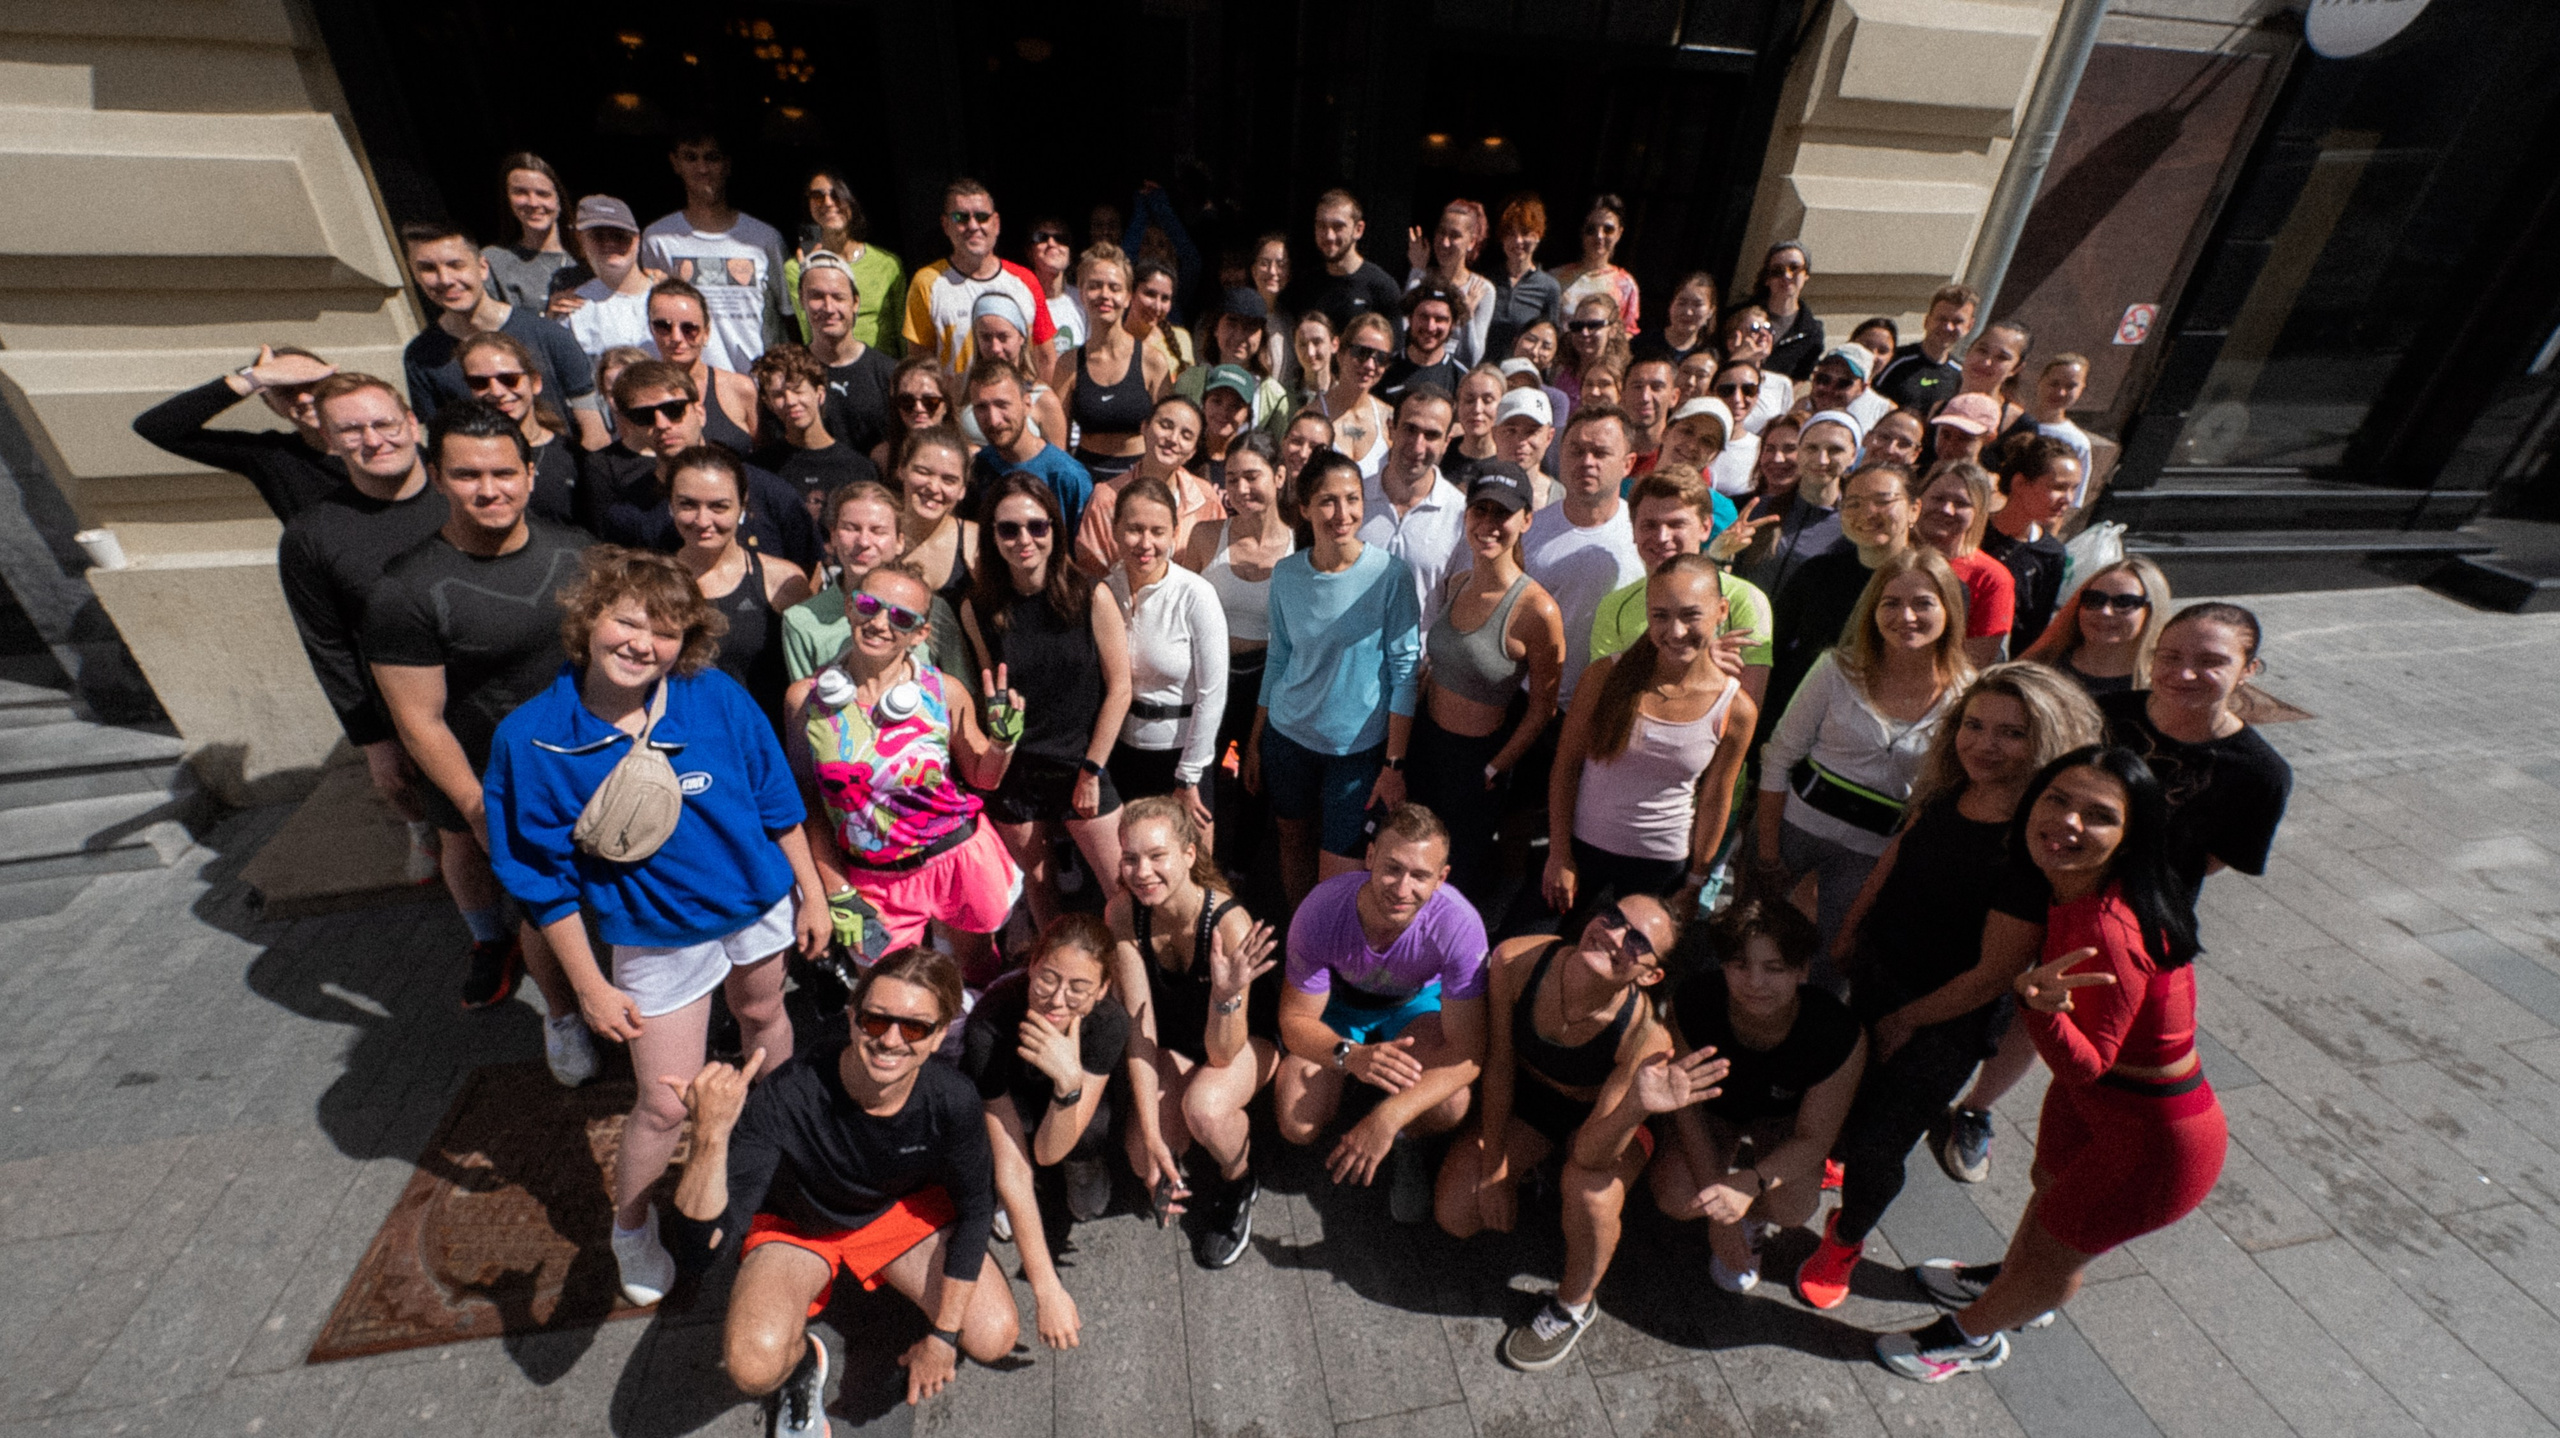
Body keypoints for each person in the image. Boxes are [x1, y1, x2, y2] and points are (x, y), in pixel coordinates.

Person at [480, 546, 827, 1307]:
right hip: (658, 933)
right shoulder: (532, 739)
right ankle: (631, 1225)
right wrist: (589, 986)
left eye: (665, 631)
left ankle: (770, 1139)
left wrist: (812, 892)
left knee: (764, 1015)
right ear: (589, 621)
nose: (643, 643)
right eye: (628, 621)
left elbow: (775, 800)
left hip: (757, 906)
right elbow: (542, 882)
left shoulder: (717, 696)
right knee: (664, 1103)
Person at [1875, 747, 2219, 1383]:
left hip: (2150, 1139)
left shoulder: (2109, 928)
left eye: (2098, 815)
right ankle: (2008, 1283)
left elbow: (2088, 1063)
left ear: (2129, 834)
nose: (2067, 822)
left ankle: (1970, 1337)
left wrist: (2038, 1008)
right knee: (2048, 1203)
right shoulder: (2082, 886)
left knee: (2056, 1261)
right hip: (2103, 1109)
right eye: (2057, 799)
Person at [1791, 663, 2101, 1310]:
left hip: (1945, 1017)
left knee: (1884, 1143)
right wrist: (1849, 931)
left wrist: (1908, 1020)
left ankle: (1846, 1235)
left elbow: (1992, 973)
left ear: (2045, 742)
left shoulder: (2029, 844)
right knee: (1849, 1089)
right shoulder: (1946, 789)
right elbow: (1897, 857)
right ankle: (1838, 1155)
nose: (1984, 744)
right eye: (1974, 725)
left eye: (2011, 733)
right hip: (1881, 972)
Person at [661, 948, 1018, 1423]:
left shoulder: (951, 1100)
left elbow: (976, 1211)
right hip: (799, 1225)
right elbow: (701, 1251)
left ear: (938, 1037)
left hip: (894, 1213)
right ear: (852, 1018)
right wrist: (710, 1136)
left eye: (914, 1028)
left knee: (994, 1335)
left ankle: (901, 1300)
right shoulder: (787, 1096)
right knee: (752, 1368)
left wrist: (943, 1337)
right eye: (875, 1020)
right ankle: (802, 1364)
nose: (890, 1040)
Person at [365, 401, 589, 1043]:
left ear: (530, 472)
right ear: (436, 477)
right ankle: (562, 1017)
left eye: (502, 472)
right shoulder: (406, 591)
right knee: (545, 915)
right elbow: (420, 721)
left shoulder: (579, 552)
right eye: (467, 475)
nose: (488, 490)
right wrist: (477, 808)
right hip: (498, 788)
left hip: (588, 771)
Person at [1436, 891, 1723, 1369]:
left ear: (1651, 975)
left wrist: (1637, 1103)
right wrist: (1493, 1167)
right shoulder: (1517, 960)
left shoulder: (1645, 1036)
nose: (1612, 935)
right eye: (1612, 917)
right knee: (1456, 1212)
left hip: (1608, 1125)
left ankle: (1574, 1304)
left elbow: (1592, 1153)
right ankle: (1533, 1172)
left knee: (1587, 1188)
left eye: (1636, 941)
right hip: (1536, 1103)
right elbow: (1501, 1066)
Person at [788, 563, 1026, 972]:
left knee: (974, 974)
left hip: (957, 860)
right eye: (869, 605)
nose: (879, 622)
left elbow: (983, 777)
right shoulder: (805, 700)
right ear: (849, 607)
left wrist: (1002, 744)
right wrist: (836, 887)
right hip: (872, 877)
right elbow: (807, 804)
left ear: (920, 634)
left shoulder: (944, 691)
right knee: (884, 992)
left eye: (900, 617)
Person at [1757, 548, 1973, 961]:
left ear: (1949, 610)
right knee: (1757, 943)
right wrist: (1767, 854)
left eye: (1923, 603)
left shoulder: (1967, 697)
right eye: (1890, 603)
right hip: (1791, 829)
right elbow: (1779, 757)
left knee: (1835, 960)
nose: (1905, 617)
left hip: (1871, 853)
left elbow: (1932, 803)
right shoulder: (1835, 669)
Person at [1277, 805, 1489, 1222]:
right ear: (1370, 857)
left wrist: (1392, 1117)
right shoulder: (1323, 909)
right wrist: (1351, 1056)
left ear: (1441, 878)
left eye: (1420, 876)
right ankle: (1361, 1078)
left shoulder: (1459, 925)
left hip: (1412, 1007)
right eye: (1392, 868)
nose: (1402, 888)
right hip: (1340, 1004)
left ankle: (1405, 1135)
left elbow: (1469, 1054)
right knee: (1295, 1122)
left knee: (1451, 1105)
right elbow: (1294, 1021)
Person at [280, 376, 448, 882]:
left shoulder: (467, 494)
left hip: (500, 689)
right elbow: (327, 645)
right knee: (444, 819)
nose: (373, 440)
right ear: (328, 440)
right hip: (406, 711)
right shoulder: (312, 535)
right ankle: (422, 832)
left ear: (412, 424)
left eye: (384, 423)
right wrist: (375, 742)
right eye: (351, 430)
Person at [1650, 898, 1864, 1293]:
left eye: (1774, 968)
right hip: (1712, 1108)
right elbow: (1686, 1108)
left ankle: (1753, 1217)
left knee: (1796, 1206)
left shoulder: (1836, 1033)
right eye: (1740, 965)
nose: (1755, 983)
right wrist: (1718, 1209)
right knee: (1675, 1196)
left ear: (1802, 971)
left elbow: (1815, 1138)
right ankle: (1728, 1208)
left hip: (1782, 1119)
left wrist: (1749, 1184)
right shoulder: (1694, 1002)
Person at [1108, 797, 1284, 1269]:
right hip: (1179, 1042)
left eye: (1157, 856)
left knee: (1204, 1109)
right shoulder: (1125, 913)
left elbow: (1223, 1053)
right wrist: (1149, 1133)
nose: (1142, 871)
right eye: (1130, 858)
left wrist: (1225, 994)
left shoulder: (1229, 922)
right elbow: (1140, 1026)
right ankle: (1187, 1136)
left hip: (1244, 1042)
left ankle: (1239, 1179)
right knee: (1145, 1161)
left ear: (1188, 854)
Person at [1247, 451, 1421, 905]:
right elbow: (1279, 659)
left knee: (1340, 871)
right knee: (1292, 842)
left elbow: (1405, 673)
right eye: (1327, 501)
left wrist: (1394, 764)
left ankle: (1332, 954)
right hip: (1287, 740)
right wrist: (1256, 739)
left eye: (1352, 499)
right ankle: (1302, 947)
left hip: (1357, 754)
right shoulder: (1286, 574)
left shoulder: (1391, 575)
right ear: (1303, 508)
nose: (1342, 514)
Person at [962, 474, 1131, 926]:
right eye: (1008, 529)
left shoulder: (1090, 595)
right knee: (1042, 896)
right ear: (991, 535)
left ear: (1055, 529)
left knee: (1123, 894)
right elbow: (986, 694)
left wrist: (1092, 769)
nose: (1024, 539)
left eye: (1037, 526)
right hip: (1016, 774)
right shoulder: (977, 606)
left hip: (1080, 767)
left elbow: (1120, 688)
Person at [1548, 554, 1757, 917]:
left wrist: (1695, 881)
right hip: (1581, 853)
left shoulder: (1736, 709)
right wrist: (1559, 853)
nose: (1675, 631)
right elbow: (1566, 765)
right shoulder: (1604, 677)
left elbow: (1715, 801)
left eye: (1690, 615)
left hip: (1661, 869)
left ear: (1721, 610)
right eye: (1660, 615)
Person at [962, 914, 1130, 1347]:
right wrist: (1046, 1287)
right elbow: (1018, 1165)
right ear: (1032, 965)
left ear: (1103, 991)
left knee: (1088, 1130)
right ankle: (999, 1199)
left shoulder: (1108, 1024)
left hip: (1059, 1114)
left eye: (1078, 988)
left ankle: (1084, 1168)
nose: (1057, 999)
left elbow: (1053, 1149)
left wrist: (1069, 1084)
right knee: (987, 1150)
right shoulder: (991, 1022)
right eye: (1048, 979)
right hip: (1010, 1109)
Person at [1408, 465, 1566, 907]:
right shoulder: (1457, 583)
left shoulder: (1538, 611)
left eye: (1504, 514)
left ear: (1526, 520)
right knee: (1410, 864)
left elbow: (1542, 708)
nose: (1490, 525)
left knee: (1456, 881)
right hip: (1426, 747)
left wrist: (1496, 767)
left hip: (1476, 765)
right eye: (1481, 510)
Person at [2095, 603, 2294, 910]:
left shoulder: (2260, 772)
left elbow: (2211, 861)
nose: (2185, 674)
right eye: (2170, 657)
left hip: (2147, 912)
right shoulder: (2100, 714)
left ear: (2247, 670)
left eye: (2210, 662)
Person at [579, 359, 820, 571]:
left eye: (673, 410)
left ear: (700, 412)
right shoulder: (628, 515)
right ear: (631, 425)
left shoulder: (769, 492)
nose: (662, 424)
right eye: (644, 416)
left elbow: (810, 574)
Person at [1179, 433, 1294, 874]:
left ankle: (1240, 871)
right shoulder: (1207, 535)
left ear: (1279, 476)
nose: (1242, 488)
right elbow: (1181, 611)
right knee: (1199, 773)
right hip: (1210, 675)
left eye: (1253, 476)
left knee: (1253, 782)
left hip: (1267, 679)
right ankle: (1197, 867)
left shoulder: (1299, 544)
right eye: (1232, 478)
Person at [399, 221, 606, 447]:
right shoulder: (422, 356)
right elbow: (443, 442)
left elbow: (595, 434)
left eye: (456, 265)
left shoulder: (548, 334)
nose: (445, 279)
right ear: (415, 276)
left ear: (482, 267)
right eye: (428, 269)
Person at [1103, 476, 1230, 831]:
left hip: (1183, 758)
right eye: (1134, 529)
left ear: (1174, 533)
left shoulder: (1196, 595)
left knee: (1192, 869)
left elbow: (1212, 693)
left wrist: (1189, 777)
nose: (1146, 543)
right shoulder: (1104, 593)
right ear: (1114, 530)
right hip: (1122, 755)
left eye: (1158, 531)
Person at [1591, 469, 1774, 705]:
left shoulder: (1745, 600)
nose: (1662, 536)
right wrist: (1698, 664)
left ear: (1705, 527)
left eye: (1677, 524)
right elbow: (1601, 696)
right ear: (1634, 530)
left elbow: (1746, 712)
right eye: (1649, 525)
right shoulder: (1614, 607)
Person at [1760, 445, 1907, 733]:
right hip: (1799, 728)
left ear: (1915, 508)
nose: (1867, 512)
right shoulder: (1816, 574)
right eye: (1853, 503)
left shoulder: (1933, 585)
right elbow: (1772, 654)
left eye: (1883, 500)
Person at [665, 446, 811, 732]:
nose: (703, 521)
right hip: (680, 745)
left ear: (743, 506)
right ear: (670, 505)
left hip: (763, 748)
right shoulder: (650, 584)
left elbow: (808, 680)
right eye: (688, 505)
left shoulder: (782, 581)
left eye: (719, 506)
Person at [782, 474, 968, 686]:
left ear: (899, 541)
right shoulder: (801, 621)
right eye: (850, 528)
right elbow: (805, 704)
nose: (863, 541)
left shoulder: (931, 609)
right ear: (833, 536)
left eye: (878, 531)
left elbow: (958, 691)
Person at [1524, 407, 1650, 718]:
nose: (1586, 462)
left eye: (1600, 452)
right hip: (1530, 704)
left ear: (1628, 464)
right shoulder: (1530, 530)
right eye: (1576, 451)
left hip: (1610, 710)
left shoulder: (1646, 534)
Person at [135, 345, 343, 522]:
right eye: (286, 390)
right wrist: (255, 378)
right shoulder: (273, 456)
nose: (304, 398)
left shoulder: (374, 438)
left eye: (313, 384)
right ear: (271, 405)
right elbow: (156, 427)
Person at [640, 129, 790, 372]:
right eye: (691, 158)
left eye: (712, 158)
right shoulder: (658, 239)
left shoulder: (765, 239)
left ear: (727, 165)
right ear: (675, 163)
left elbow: (789, 317)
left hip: (758, 386)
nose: (702, 168)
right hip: (688, 386)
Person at [903, 177, 1055, 379]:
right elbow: (920, 366)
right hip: (957, 409)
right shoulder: (926, 282)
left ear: (997, 224)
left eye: (982, 217)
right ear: (945, 224)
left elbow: (1045, 358)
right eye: (961, 217)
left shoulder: (1025, 280)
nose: (973, 226)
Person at [1057, 243, 1171, 484]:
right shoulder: (1068, 363)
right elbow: (1058, 444)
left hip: (1138, 479)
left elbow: (1167, 434)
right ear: (1081, 292)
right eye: (1095, 286)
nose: (1104, 295)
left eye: (1114, 288)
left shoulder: (1152, 361)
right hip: (1085, 478)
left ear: (1128, 296)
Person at [1076, 395, 1223, 576]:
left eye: (1186, 436)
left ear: (1193, 451)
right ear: (1144, 427)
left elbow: (1216, 565)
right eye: (1165, 426)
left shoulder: (1205, 499)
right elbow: (1091, 570)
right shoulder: (1107, 498)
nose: (1173, 439)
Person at [1357, 386, 1467, 624]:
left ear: (1447, 442)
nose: (1418, 446)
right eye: (1410, 429)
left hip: (1419, 660)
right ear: (1390, 429)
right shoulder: (1352, 498)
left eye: (1432, 435)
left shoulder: (1460, 514)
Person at [1727, 407, 1854, 602]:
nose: (1822, 459)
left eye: (1835, 449)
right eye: (1812, 448)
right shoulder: (1757, 510)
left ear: (1853, 456)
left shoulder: (1852, 525)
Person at [453, 332, 579, 527]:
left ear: (535, 382)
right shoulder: (462, 461)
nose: (497, 392)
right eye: (480, 383)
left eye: (509, 379)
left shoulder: (573, 456)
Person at [751, 342, 881, 522]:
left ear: (820, 393)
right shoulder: (759, 469)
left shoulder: (858, 469)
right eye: (779, 395)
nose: (790, 401)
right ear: (768, 403)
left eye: (797, 390)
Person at [784, 166, 905, 356]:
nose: (828, 202)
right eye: (817, 196)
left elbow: (902, 333)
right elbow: (808, 333)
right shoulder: (796, 268)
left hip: (882, 374)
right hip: (828, 372)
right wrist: (808, 273)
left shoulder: (887, 264)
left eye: (837, 194)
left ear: (852, 199)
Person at [966, 358, 1095, 535]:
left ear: (1027, 404)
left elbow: (1084, 555)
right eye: (981, 408)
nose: (993, 420)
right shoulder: (979, 468)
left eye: (1002, 405)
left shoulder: (1066, 476)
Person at [1981, 434, 2081, 652]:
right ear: (2020, 483)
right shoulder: (1976, 531)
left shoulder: (2051, 554)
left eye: (2074, 488)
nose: (2068, 499)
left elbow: (2033, 631)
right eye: (2059, 487)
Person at [2021, 556, 2173, 697]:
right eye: (2094, 599)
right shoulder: (2041, 669)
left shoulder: (2165, 686)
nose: (2105, 612)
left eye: (2124, 602)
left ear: (2152, 611)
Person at [795, 250, 897, 456]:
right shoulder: (791, 374)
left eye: (838, 297)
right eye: (816, 296)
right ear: (802, 302)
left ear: (855, 302)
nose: (829, 307)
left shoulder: (889, 373)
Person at [1913, 461, 2014, 669]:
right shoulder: (1893, 555)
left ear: (1979, 512)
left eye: (1961, 503)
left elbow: (1976, 662)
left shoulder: (1991, 578)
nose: (1946, 509)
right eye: (1938, 498)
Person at [647, 279, 763, 454]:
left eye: (689, 329)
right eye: (663, 326)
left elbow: (765, 458)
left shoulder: (740, 389)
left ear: (706, 333)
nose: (676, 337)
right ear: (651, 329)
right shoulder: (642, 395)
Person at [892, 426, 980, 619]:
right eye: (923, 472)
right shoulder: (877, 534)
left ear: (962, 490)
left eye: (948, 480)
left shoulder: (976, 540)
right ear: (901, 470)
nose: (933, 487)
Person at [552, 196, 655, 360]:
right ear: (580, 239)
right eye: (597, 236)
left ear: (637, 239)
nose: (609, 243)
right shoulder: (575, 307)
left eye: (620, 236)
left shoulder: (670, 298)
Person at [1174, 290, 1291, 433]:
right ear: (1216, 328)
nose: (1239, 335)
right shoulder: (1189, 380)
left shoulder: (1275, 396)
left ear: (1262, 336)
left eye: (1250, 327)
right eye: (1232, 323)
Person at [964, 291, 1070, 445]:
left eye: (1003, 337)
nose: (995, 348)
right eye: (986, 338)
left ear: (1021, 337)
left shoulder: (1043, 399)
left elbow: (1059, 464)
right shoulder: (963, 385)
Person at [1297, 189, 1405, 335]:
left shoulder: (1382, 288)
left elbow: (1393, 351)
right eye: (1321, 226)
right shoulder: (1304, 286)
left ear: (1358, 229)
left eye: (1338, 227)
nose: (1329, 235)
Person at [480, 153, 577, 313]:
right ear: (508, 199)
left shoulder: (587, 259)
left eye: (543, 194)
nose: (533, 203)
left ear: (559, 200)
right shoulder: (495, 261)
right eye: (520, 193)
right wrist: (548, 322)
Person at [1313, 311, 1397, 478]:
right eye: (1361, 352)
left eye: (1381, 358)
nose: (1370, 365)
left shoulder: (1389, 419)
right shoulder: (1313, 416)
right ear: (1341, 354)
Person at [1875, 284, 1979, 411]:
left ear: (1969, 326)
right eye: (1942, 319)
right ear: (1927, 321)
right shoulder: (1893, 361)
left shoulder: (1962, 375)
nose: (1948, 327)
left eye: (1957, 321)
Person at [1486, 196, 1562, 365]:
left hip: (1523, 374)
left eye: (1526, 233)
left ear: (1538, 236)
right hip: (1486, 374)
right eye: (1511, 234)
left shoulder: (1549, 287)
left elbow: (1551, 341)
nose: (1518, 241)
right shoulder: (1486, 281)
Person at [1550, 195, 1639, 337]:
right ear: (1582, 233)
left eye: (1608, 229)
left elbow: (1628, 333)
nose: (1599, 236)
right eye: (1591, 229)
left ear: (1619, 233)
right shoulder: (1555, 278)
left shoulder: (1626, 285)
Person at [1379, 281, 1466, 407]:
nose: (1430, 327)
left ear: (1452, 326)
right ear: (1410, 319)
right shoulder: (1383, 369)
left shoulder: (1460, 379)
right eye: (1424, 317)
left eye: (1440, 319)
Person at [1754, 241, 1823, 381]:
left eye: (1794, 268)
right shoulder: (1740, 316)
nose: (1786, 276)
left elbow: (1800, 379)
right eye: (1777, 271)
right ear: (1767, 279)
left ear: (1806, 275)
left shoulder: (1811, 332)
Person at [2030, 353, 2096, 498]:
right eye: (2054, 383)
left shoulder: (2077, 443)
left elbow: (2070, 501)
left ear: (2081, 390)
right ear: (2040, 380)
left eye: (2071, 386)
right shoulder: (2012, 420)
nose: (2060, 392)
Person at [1717, 308, 1792, 433]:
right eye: (1755, 329)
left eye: (1768, 329)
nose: (1764, 334)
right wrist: (1738, 357)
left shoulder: (1782, 384)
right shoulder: (1716, 380)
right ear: (1732, 342)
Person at [876, 354, 955, 471]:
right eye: (906, 401)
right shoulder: (882, 457)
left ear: (945, 405)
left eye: (930, 401)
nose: (918, 408)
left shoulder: (970, 456)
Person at [1556, 292, 1630, 414]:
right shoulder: (1559, 372)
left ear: (1613, 330)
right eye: (1577, 326)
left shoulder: (1625, 374)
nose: (1584, 333)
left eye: (1594, 325)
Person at [1024, 214, 1085, 357]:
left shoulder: (1084, 299)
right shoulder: (1020, 299)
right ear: (1029, 251)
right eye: (1041, 237)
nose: (1052, 243)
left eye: (1061, 239)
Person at [1637, 271, 1719, 370]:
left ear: (1711, 311)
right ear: (1671, 304)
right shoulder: (1642, 344)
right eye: (1682, 303)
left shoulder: (1708, 355)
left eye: (1697, 304)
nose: (1688, 312)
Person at [1490, 386, 1561, 500]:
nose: (1521, 441)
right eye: (1511, 431)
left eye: (1531, 432)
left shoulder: (1565, 499)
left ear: (1549, 437)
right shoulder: (1472, 492)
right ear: (1494, 434)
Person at [1443, 363, 1506, 490]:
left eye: (1487, 400)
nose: (1477, 409)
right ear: (1458, 405)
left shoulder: (1508, 459)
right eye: (1469, 400)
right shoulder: (1441, 453)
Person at [1127, 259, 1195, 372]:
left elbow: (1192, 389)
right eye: (1150, 294)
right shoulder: (1113, 341)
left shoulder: (1182, 338)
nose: (1157, 306)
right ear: (1130, 293)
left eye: (1165, 299)